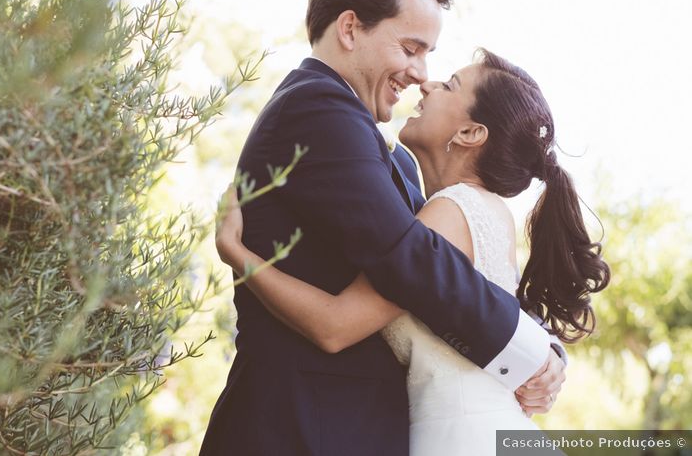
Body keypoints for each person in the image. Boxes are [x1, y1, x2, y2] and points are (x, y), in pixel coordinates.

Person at [199, 0, 568, 456]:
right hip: (300, 426)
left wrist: (541, 351)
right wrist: (529, 353)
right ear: (351, 29)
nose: (421, 75)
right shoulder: (318, 108)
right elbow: (409, 257)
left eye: (430, 58)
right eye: (410, 48)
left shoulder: (394, 162)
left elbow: (443, 265)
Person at [214, 49, 611, 454]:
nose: (427, 83)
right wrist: (544, 352)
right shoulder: (474, 210)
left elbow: (335, 327)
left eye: (450, 85)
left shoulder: (451, 213)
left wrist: (237, 254)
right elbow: (486, 303)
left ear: (470, 133)